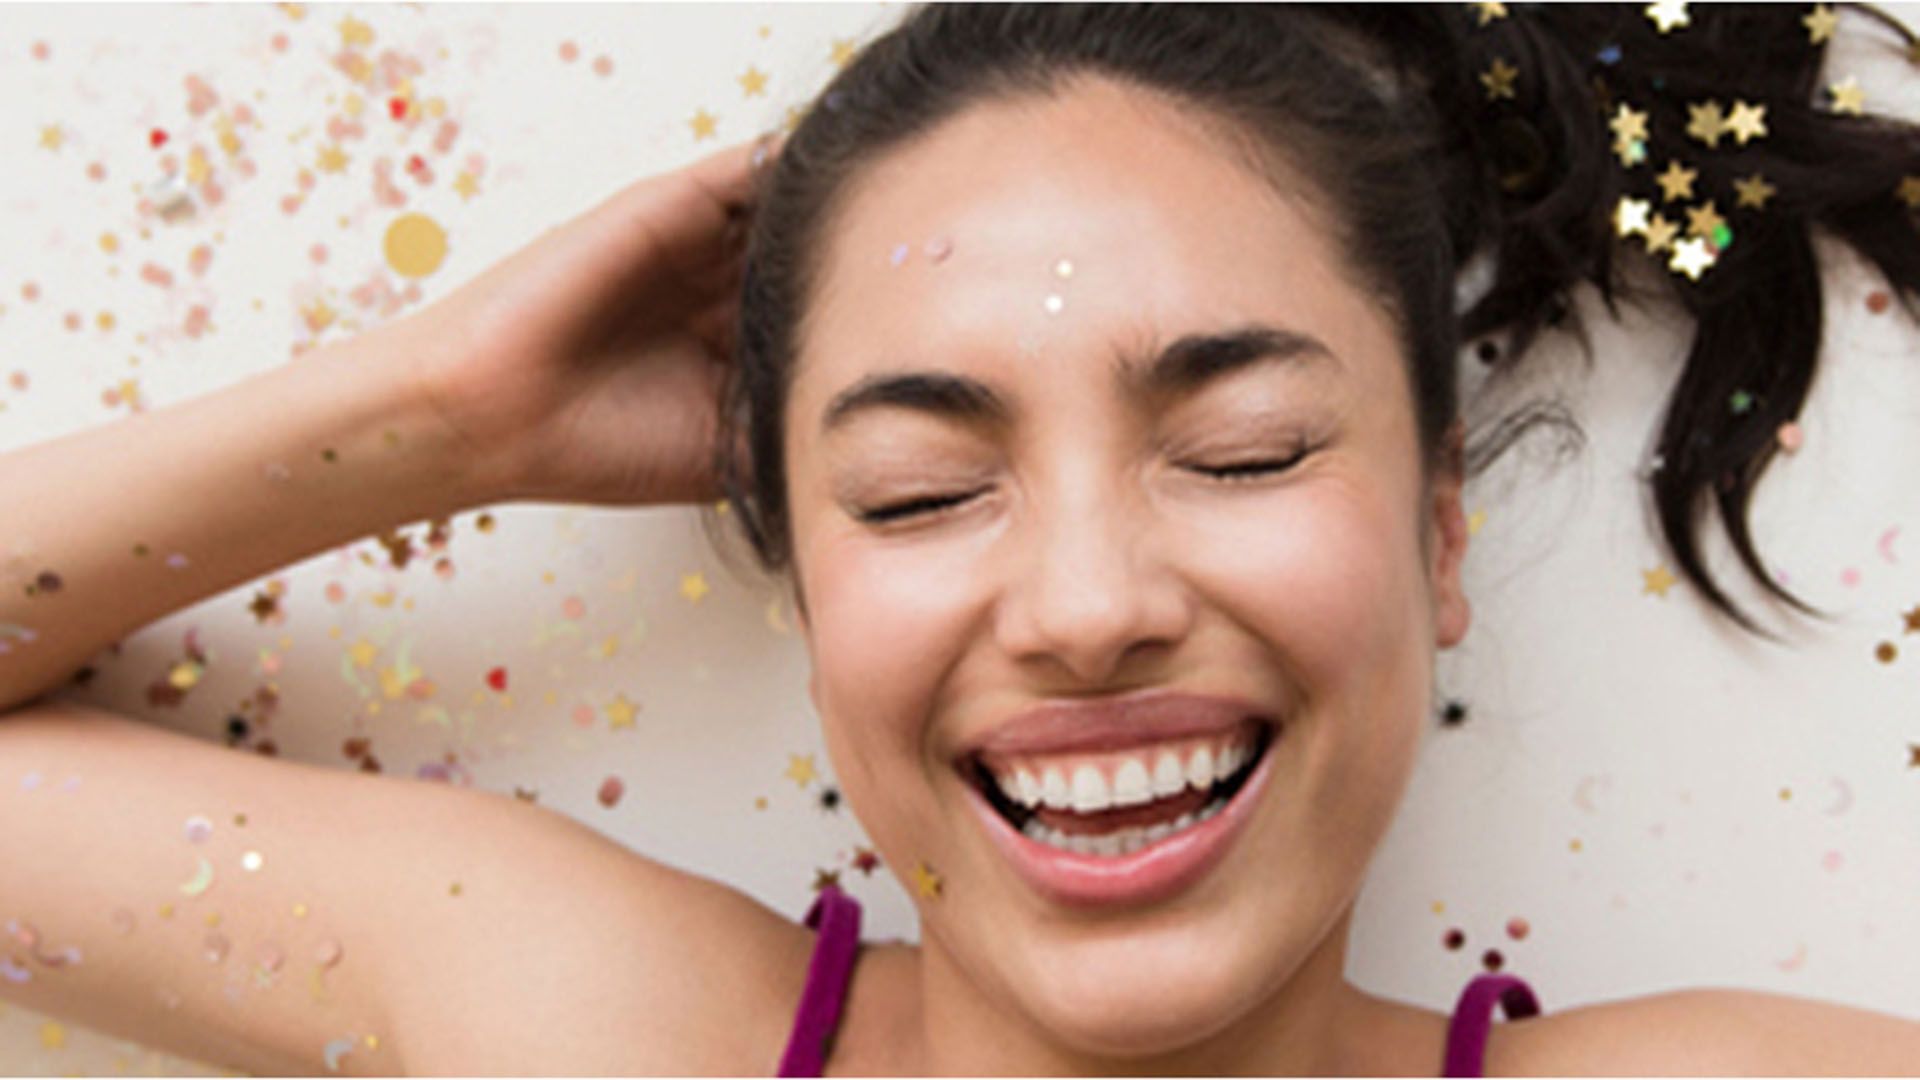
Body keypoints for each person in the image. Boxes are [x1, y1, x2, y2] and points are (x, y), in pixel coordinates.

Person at [2, 3, 1919, 1075]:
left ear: (1437, 539)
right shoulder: (591, 1031)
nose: (1089, 609)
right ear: (806, 576)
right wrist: (445, 412)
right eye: (920, 493)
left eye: (1243, 451)